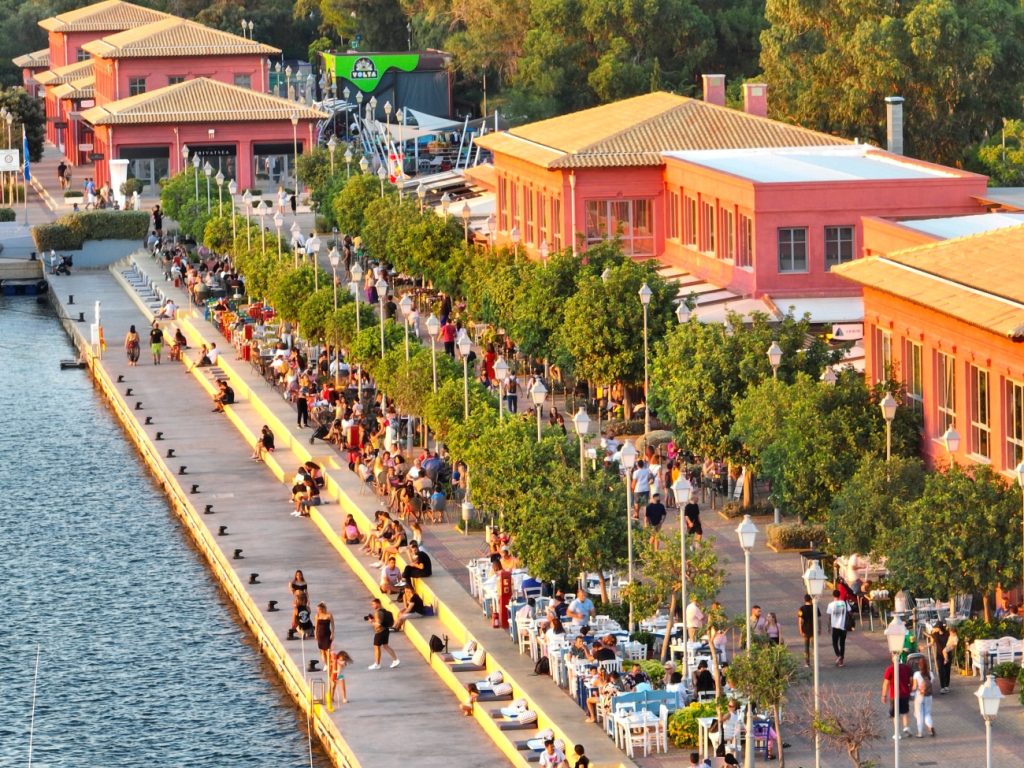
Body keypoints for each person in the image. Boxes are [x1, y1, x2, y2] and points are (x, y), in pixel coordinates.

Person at [882, 656, 914, 737]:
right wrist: (910, 689)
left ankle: (897, 733)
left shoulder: (890, 669)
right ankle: (906, 727)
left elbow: (886, 683)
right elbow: (911, 680)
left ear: (893, 660)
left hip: (894, 695)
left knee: (895, 714)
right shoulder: (907, 668)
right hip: (905, 693)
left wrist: (884, 695)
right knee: (905, 712)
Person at [367, 597, 400, 669]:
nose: (372, 606)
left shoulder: (378, 613)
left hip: (380, 632)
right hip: (386, 630)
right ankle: (396, 660)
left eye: (373, 604)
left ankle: (377, 664)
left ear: (378, 604)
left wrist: (371, 622)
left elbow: (378, 624)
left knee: (376, 647)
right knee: (386, 646)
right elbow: (381, 621)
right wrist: (374, 620)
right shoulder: (384, 611)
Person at [912, 656, 935, 737]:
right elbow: (931, 683)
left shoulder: (916, 674)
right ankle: (930, 727)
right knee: (927, 713)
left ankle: (920, 733)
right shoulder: (931, 674)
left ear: (919, 665)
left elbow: (914, 687)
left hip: (919, 696)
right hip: (929, 696)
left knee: (919, 715)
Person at [825, 589, 849, 666]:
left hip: (835, 626)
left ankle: (839, 655)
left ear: (833, 595)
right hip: (843, 626)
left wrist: (828, 627)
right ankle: (841, 661)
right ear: (839, 595)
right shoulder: (844, 603)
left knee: (834, 643)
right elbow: (849, 611)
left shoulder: (831, 605)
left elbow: (829, 617)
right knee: (842, 644)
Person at [314, 602, 335, 670]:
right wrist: (315, 634)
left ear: (323, 609)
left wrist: (332, 633)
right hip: (320, 635)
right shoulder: (317, 615)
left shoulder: (329, 615)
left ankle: (329, 663)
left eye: (319, 609)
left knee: (328, 650)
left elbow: (332, 625)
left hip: (327, 634)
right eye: (317, 609)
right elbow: (316, 626)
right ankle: (326, 664)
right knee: (322, 651)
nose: (318, 610)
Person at [797, 594, 817, 667]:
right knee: (814, 646)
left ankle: (807, 662)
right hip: (814, 629)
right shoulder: (815, 607)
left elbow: (800, 621)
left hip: (805, 630)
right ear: (811, 599)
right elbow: (819, 619)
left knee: (806, 647)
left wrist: (800, 630)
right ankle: (815, 661)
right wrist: (819, 629)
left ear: (804, 600)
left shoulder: (801, 609)